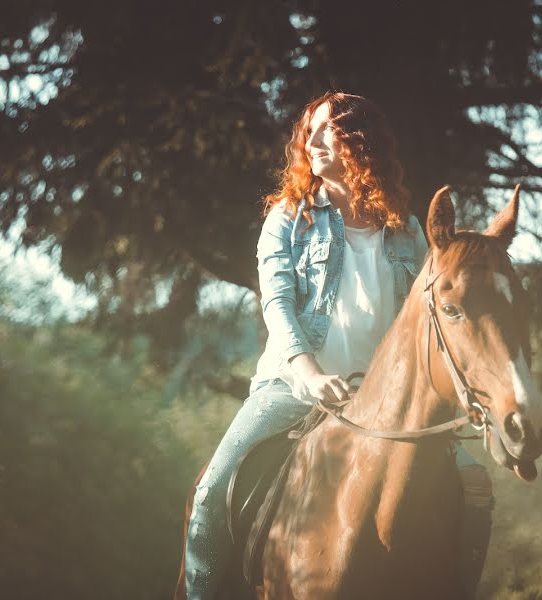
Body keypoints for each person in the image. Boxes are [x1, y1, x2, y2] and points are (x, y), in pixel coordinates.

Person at [183, 91, 493, 599]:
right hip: (294, 389)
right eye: (311, 129)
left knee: (475, 489)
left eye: (329, 129)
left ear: (361, 140)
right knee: (210, 495)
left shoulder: (407, 230)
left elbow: (432, 320)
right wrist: (308, 374)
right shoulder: (288, 218)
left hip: (388, 404)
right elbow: (277, 306)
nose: (314, 139)